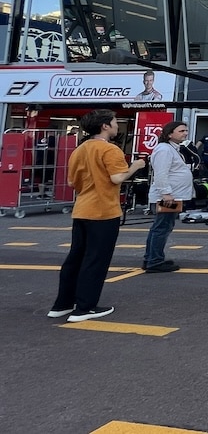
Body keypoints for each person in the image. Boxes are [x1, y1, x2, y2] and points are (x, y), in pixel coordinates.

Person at [48, 109, 146, 322]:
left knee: (76, 258)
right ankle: (85, 307)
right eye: (114, 122)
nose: (116, 125)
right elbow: (117, 177)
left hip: (82, 208)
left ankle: (62, 304)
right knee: (96, 260)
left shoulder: (80, 149)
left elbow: (72, 183)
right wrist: (136, 166)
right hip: (104, 211)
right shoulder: (110, 150)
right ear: (105, 126)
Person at [142, 121, 192, 273]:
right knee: (162, 227)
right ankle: (154, 261)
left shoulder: (171, 148)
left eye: (186, 130)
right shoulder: (164, 149)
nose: (185, 133)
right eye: (181, 130)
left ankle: (151, 258)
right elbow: (161, 173)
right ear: (170, 133)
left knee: (161, 226)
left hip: (171, 195)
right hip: (168, 196)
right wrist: (166, 194)